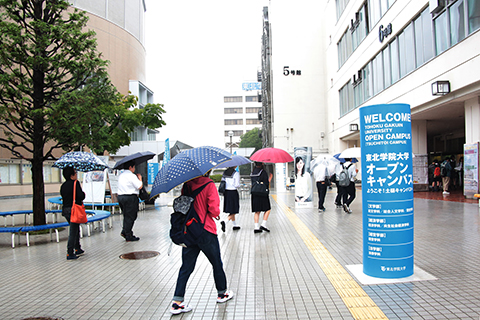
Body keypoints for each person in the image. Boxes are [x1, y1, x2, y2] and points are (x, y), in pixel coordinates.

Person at [171, 170, 234, 315]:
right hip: (206, 231)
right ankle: (222, 293)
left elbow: (184, 206)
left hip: (189, 230)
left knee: (186, 267)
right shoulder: (209, 184)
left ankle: (177, 302)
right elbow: (213, 210)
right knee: (216, 263)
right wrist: (216, 214)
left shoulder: (187, 185)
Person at [60, 167, 86, 260]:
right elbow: (81, 196)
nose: (76, 174)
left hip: (66, 210)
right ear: (71, 175)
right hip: (74, 210)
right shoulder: (75, 183)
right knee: (73, 230)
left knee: (75, 228)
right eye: (75, 173)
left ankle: (77, 248)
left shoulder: (63, 185)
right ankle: (70, 252)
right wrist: (83, 194)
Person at [117, 160, 143, 241]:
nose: (134, 168)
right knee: (131, 216)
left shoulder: (121, 175)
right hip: (130, 198)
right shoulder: (131, 176)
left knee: (126, 215)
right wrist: (140, 179)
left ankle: (125, 230)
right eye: (134, 167)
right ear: (130, 167)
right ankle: (128, 234)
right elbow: (139, 186)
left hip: (121, 197)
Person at [251, 162, 273, 233]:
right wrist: (270, 178)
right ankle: (263, 224)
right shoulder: (263, 172)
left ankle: (256, 227)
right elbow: (266, 183)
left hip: (254, 193)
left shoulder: (253, 172)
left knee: (257, 211)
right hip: (262, 193)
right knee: (267, 209)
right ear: (262, 164)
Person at [220, 167, 241, 232]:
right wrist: (239, 185)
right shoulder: (236, 173)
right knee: (234, 209)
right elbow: (236, 184)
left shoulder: (225, 173)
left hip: (226, 192)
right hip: (233, 192)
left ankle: (235, 225)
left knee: (231, 209)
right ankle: (225, 222)